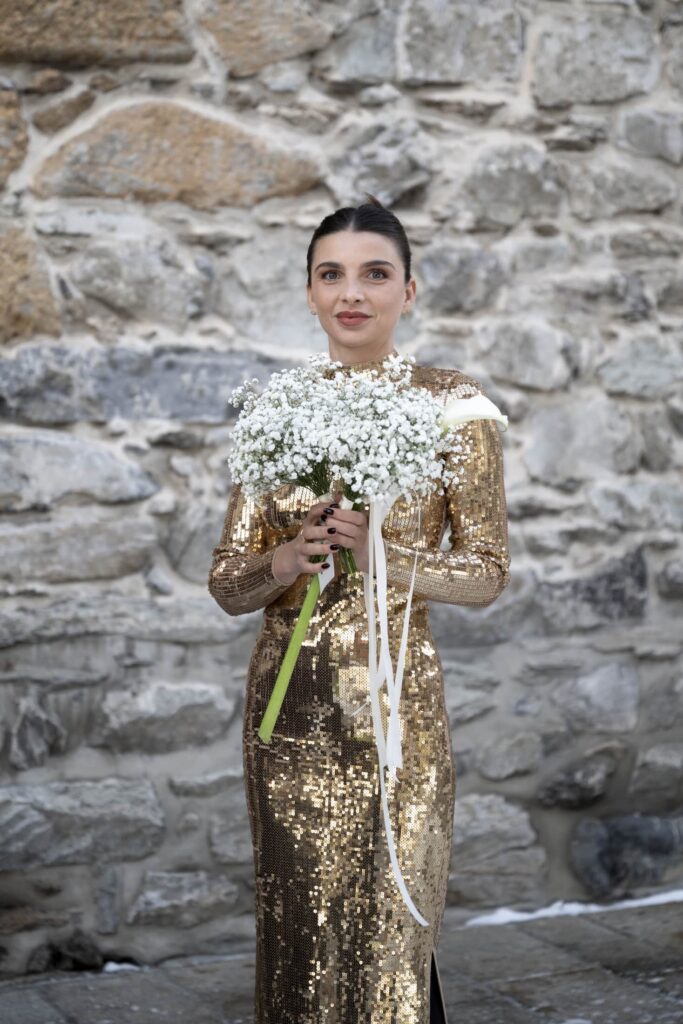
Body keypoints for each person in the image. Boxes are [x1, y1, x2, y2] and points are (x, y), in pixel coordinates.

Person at [208, 195, 511, 1024]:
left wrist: (386, 554)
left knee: (389, 937)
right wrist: (283, 559)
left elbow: (485, 574)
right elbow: (228, 583)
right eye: (329, 274)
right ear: (308, 292)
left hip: (394, 713)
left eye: (374, 273)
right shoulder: (275, 412)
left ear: (408, 291)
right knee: (299, 930)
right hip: (288, 715)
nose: (352, 292)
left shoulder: (453, 407)